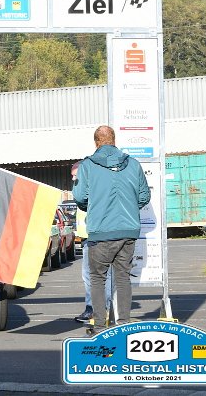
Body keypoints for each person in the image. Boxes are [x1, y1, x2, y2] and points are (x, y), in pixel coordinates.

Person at [72, 126, 151, 335]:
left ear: (96, 142)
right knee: (123, 277)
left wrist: (93, 206)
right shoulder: (133, 164)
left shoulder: (87, 166)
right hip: (128, 231)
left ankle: (100, 327)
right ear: (114, 140)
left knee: (98, 278)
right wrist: (129, 208)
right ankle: (123, 325)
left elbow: (79, 197)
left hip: (101, 230)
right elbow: (144, 196)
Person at [71, 161, 114, 324]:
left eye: (76, 176)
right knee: (91, 275)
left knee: (98, 275)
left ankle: (100, 309)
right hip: (87, 238)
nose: (73, 179)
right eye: (72, 176)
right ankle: (96, 308)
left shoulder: (92, 189)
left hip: (96, 237)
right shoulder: (83, 189)